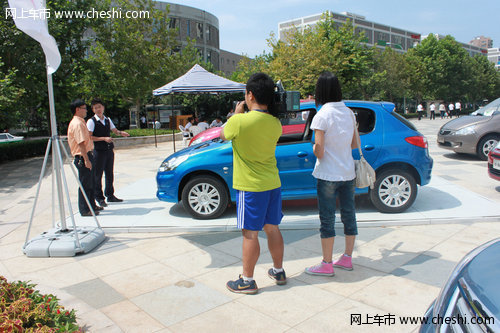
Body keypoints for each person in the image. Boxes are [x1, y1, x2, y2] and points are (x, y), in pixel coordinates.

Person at [221, 73, 286, 294]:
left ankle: (247, 280)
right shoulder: (276, 123)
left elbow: (223, 134)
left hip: (250, 187)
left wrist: (236, 114)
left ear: (250, 95)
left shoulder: (239, 122)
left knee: (250, 233)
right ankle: (278, 271)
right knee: (273, 228)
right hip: (272, 184)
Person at [305, 71, 358, 277]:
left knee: (327, 219)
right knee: (349, 215)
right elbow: (354, 144)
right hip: (348, 173)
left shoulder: (322, 115)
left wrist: (314, 150)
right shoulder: (349, 112)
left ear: (320, 91)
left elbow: (319, 149)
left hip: (327, 174)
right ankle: (346, 258)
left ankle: (326, 263)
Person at [87, 98, 130, 208]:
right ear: (93, 109)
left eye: (99, 107)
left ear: (103, 108)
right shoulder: (91, 121)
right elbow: (89, 137)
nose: (98, 109)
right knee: (98, 175)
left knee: (109, 174)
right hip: (98, 151)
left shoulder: (107, 119)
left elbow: (114, 130)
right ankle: (99, 198)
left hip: (109, 150)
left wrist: (121, 133)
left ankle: (110, 195)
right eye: (95, 108)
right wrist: (103, 138)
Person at [67, 99, 102, 217]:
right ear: (78, 109)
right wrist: (86, 160)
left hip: (87, 155)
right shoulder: (77, 124)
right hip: (82, 157)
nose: (86, 111)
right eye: (84, 108)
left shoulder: (81, 122)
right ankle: (84, 209)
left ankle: (92, 205)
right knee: (85, 184)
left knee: (91, 182)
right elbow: (81, 143)